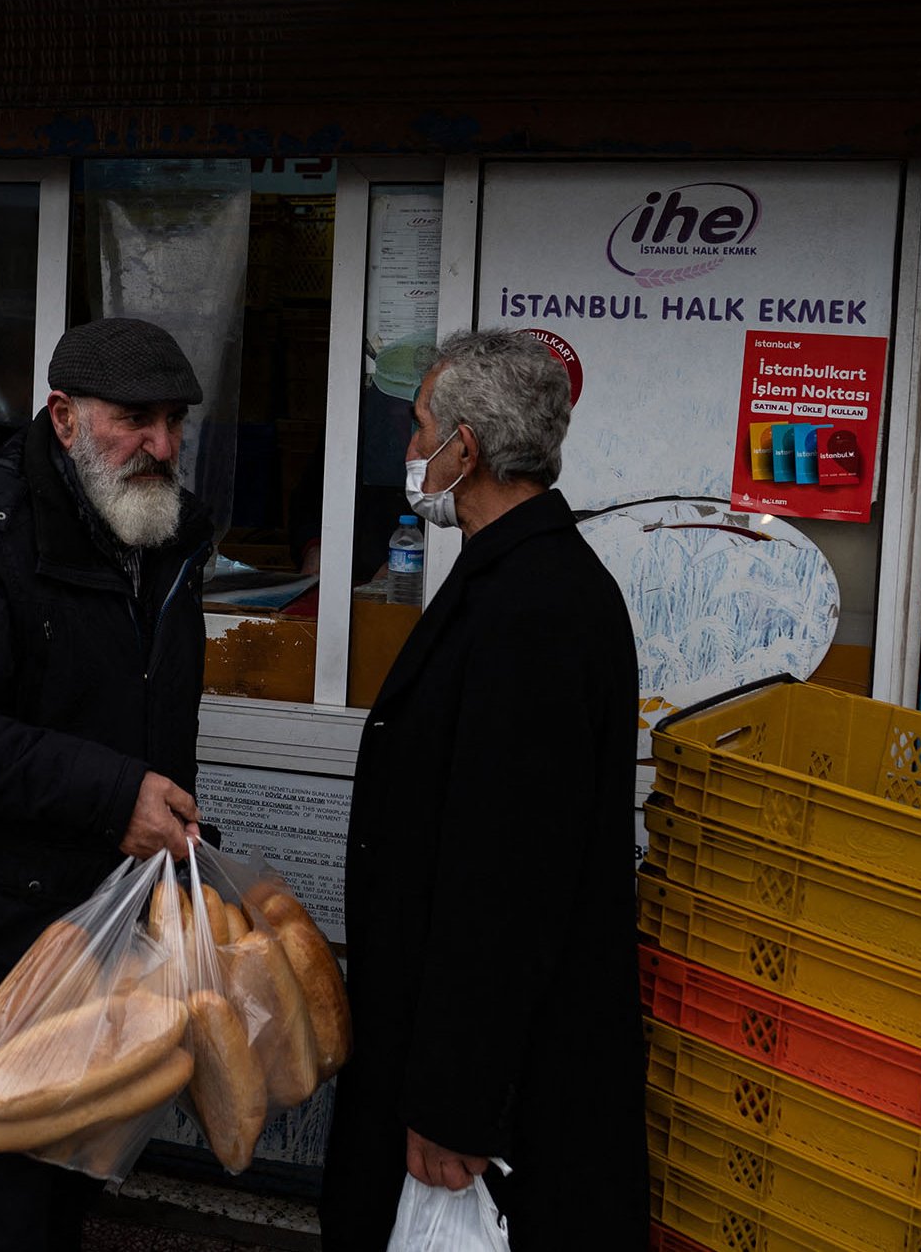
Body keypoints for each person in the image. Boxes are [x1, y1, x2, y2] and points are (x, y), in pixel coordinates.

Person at [0, 317, 213, 1252]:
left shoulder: (164, 532)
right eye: (135, 419)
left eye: (175, 420)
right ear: (63, 417)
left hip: (111, 933)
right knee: (2, 1202)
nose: (162, 444)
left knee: (70, 1190)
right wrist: (115, 795)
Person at [320, 329, 643, 1252]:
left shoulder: (535, 604)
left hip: (494, 1094)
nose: (410, 451)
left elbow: (506, 878)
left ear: (468, 448)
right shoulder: (517, 576)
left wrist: (455, 1105)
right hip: (459, 1053)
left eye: (421, 428)